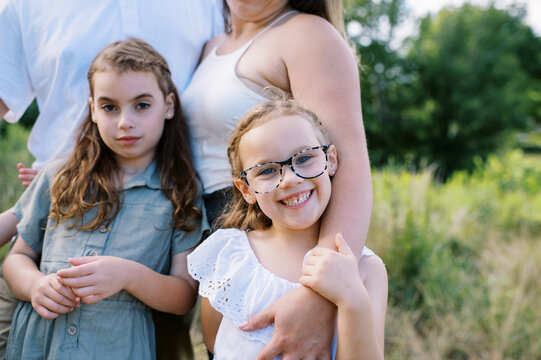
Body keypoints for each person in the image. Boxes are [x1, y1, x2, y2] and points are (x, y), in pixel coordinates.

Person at [0, 1, 222, 358]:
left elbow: (184, 295)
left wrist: (128, 276)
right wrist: (36, 285)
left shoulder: (180, 190)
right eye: (109, 107)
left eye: (142, 105)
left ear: (168, 106)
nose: (125, 122)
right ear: (92, 108)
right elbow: (16, 258)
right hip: (38, 345)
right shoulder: (60, 176)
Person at [181, 0, 372, 356]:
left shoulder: (306, 34)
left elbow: (350, 166)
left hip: (279, 236)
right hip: (221, 238)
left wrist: (318, 295)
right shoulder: (211, 45)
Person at [188, 97, 388, 359]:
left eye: (304, 158)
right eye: (267, 170)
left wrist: (351, 298)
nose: (291, 179)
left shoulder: (365, 268)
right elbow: (215, 344)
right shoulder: (227, 255)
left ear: (331, 160)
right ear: (246, 190)